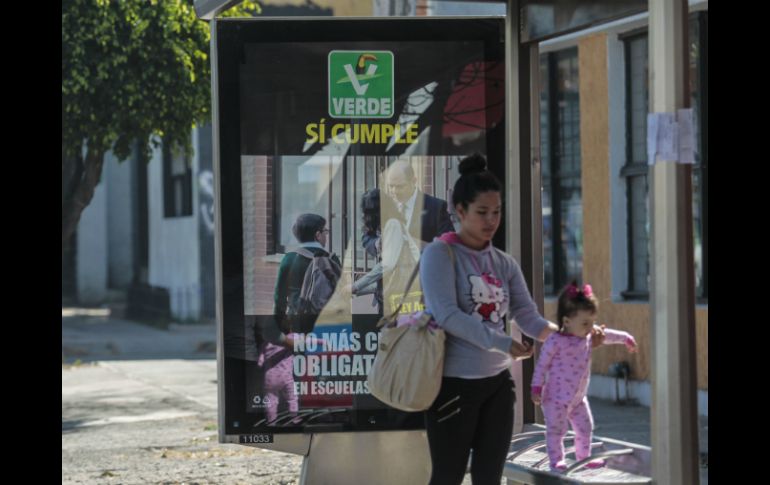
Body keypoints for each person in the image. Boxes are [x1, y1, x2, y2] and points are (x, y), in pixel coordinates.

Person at [419, 153, 559, 485]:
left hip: (498, 385)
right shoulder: (439, 254)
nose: (491, 220)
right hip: (452, 385)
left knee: (489, 478)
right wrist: (501, 342)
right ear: (460, 210)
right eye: (482, 212)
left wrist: (567, 337)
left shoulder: (503, 262)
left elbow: (527, 314)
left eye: (497, 212)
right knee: (448, 476)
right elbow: (447, 314)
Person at [531, 281, 637, 472]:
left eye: (592, 321)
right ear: (566, 321)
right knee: (557, 431)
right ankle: (556, 461)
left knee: (585, 428)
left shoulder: (587, 336)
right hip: (555, 398)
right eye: (585, 323)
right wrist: (536, 387)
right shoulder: (555, 341)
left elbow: (608, 335)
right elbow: (541, 366)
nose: (590, 327)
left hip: (578, 398)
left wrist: (626, 338)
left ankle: (584, 458)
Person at [362, 159, 453, 255]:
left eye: (400, 186)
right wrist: (377, 244)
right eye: (391, 186)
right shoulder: (383, 204)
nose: (394, 191)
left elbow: (448, 247)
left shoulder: (436, 207)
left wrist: (413, 244)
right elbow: (366, 237)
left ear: (414, 181)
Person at [352, 188, 420, 315]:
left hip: (402, 297)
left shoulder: (393, 225)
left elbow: (387, 266)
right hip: (399, 296)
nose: (365, 217)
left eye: (367, 212)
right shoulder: (389, 227)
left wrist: (357, 286)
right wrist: (358, 288)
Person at [273, 213, 340, 334]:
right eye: (325, 231)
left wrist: (279, 325)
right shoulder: (331, 259)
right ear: (318, 235)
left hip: (297, 322)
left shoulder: (289, 259)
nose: (326, 235)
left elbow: (279, 297)